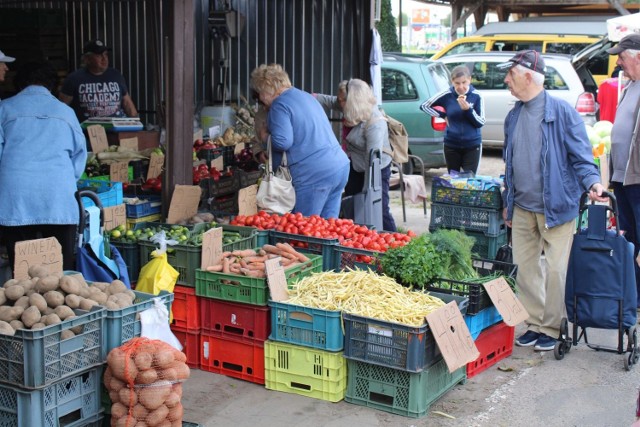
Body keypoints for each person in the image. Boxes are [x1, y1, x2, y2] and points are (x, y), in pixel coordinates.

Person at [498, 50, 607, 351]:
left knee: (557, 270)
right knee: (526, 267)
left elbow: (582, 159)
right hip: (522, 206)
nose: (506, 79)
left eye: (511, 74)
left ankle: (551, 326)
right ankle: (534, 322)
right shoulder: (514, 115)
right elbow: (509, 162)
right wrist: (509, 198)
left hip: (556, 206)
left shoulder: (562, 112)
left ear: (529, 76)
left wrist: (594, 183)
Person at [0, 61, 87, 273]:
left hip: (16, 197)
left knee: (22, 270)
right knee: (60, 270)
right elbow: (79, 155)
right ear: (52, 85)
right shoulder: (66, 112)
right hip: (58, 196)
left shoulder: (4, 108)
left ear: (20, 83)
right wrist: (65, 179)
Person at [250, 63, 349, 218]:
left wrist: (264, 137)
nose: (260, 99)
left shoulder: (279, 104)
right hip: (339, 167)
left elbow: (282, 142)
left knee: (304, 229)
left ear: (266, 88)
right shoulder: (305, 96)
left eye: (260, 93)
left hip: (314, 174)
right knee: (328, 228)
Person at [315, 79, 397, 231]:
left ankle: (396, 242)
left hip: (376, 167)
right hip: (355, 163)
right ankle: (355, 238)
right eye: (339, 99)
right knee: (351, 203)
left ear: (353, 101)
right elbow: (330, 101)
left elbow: (372, 162)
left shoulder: (375, 123)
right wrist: (308, 97)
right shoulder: (346, 104)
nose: (338, 103)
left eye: (342, 100)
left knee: (378, 206)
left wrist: (366, 192)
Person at [605, 33, 640, 319]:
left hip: (639, 179)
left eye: (622, 56)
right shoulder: (629, 87)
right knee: (629, 238)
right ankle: (634, 295)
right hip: (624, 178)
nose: (618, 62)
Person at [420, 65, 485, 174]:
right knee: (453, 178)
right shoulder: (447, 94)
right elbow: (424, 106)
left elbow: (480, 122)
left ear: (469, 79)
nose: (461, 87)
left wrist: (468, 110)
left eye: (464, 82)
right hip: (451, 144)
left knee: (469, 180)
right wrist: (443, 115)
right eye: (457, 83)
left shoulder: (477, 96)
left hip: (472, 145)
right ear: (452, 82)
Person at [59, 39, 138, 123]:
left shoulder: (116, 75)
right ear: (87, 59)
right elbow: (62, 108)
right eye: (99, 55)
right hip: (89, 131)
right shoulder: (74, 79)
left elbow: (127, 103)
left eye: (106, 54)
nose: (104, 59)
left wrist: (137, 125)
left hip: (116, 129)